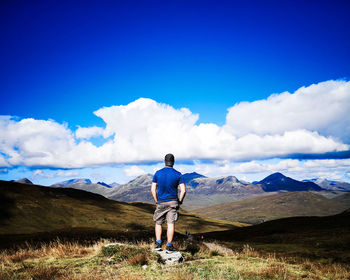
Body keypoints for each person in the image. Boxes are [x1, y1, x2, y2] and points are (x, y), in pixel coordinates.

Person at [151, 153, 186, 253]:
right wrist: (179, 201)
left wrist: (156, 201)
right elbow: (183, 190)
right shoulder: (178, 174)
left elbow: (153, 190)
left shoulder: (157, 173)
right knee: (170, 223)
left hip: (161, 202)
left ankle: (158, 244)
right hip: (173, 202)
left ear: (164, 161)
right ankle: (169, 246)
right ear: (173, 162)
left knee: (158, 223)